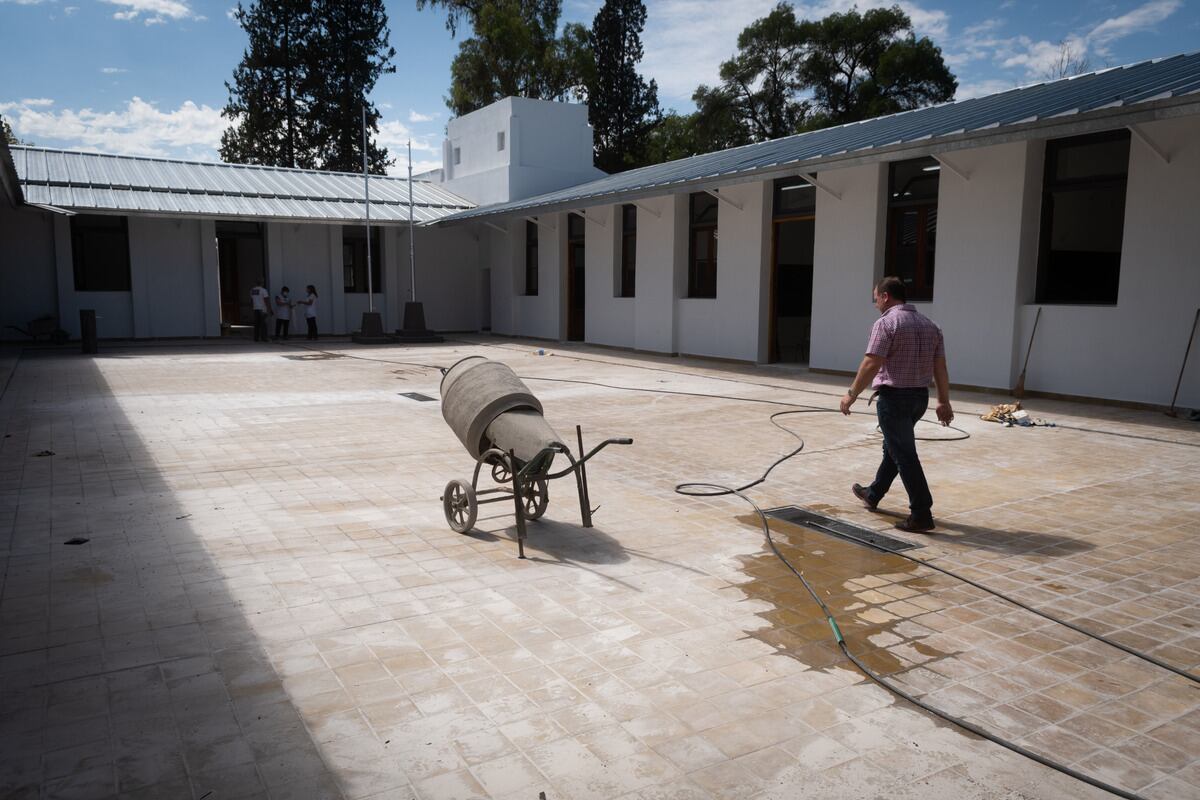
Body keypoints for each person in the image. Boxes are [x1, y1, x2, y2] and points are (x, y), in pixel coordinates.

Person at [840, 276, 953, 532]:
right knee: (894, 446)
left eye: (876, 298)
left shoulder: (887, 323)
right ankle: (874, 492)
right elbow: (940, 367)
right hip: (918, 399)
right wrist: (943, 401)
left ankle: (922, 512)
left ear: (886, 296)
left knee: (904, 454)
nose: (875, 303)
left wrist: (851, 394)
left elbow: (871, 362)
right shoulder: (930, 325)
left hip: (895, 399)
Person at [250, 277, 272, 342]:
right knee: (263, 325)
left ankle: (256, 338)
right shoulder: (263, 290)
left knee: (256, 324)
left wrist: (253, 308)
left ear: (255, 282)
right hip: (262, 309)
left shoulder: (252, 290)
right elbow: (266, 300)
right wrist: (269, 309)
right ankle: (264, 338)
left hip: (255, 309)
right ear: (262, 283)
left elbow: (251, 300)